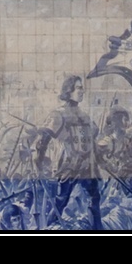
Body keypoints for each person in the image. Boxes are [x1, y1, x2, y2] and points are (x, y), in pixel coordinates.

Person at [37, 75, 101, 230]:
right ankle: (49, 228)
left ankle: (97, 229)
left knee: (94, 197)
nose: (82, 91)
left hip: (86, 165)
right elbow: (43, 139)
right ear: (68, 91)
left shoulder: (84, 115)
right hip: (68, 165)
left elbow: (91, 139)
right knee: (61, 200)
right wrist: (39, 161)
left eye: (82, 88)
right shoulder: (58, 114)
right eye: (78, 88)